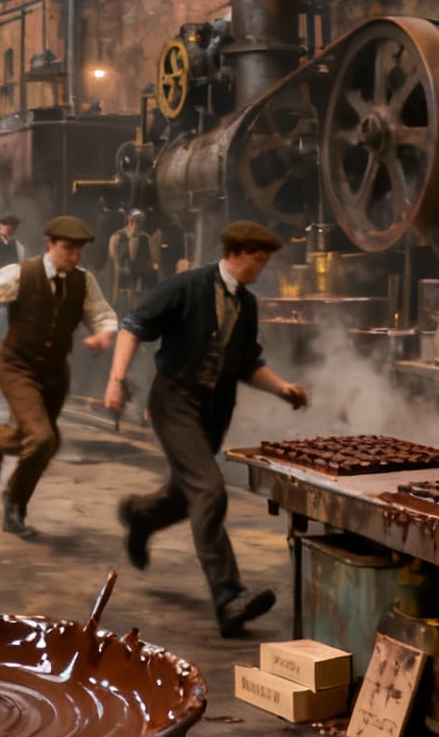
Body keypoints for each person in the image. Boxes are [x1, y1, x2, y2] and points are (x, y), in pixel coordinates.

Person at [109, 220, 308, 636]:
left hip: (213, 409)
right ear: (237, 253)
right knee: (208, 489)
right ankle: (227, 596)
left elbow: (247, 362)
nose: (262, 268)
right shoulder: (188, 287)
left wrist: (282, 389)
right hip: (175, 401)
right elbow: (133, 326)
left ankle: (140, 516)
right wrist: (116, 379)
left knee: (186, 496)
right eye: (259, 259)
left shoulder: (247, 304)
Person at [0, 215, 118, 540]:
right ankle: (15, 506)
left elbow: (103, 316)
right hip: (17, 366)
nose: (74, 257)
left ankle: (0, 438)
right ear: (50, 245)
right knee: (43, 439)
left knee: (47, 443)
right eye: (68, 249)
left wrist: (103, 336)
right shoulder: (21, 274)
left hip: (55, 372)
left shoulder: (82, 281)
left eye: (79, 251)